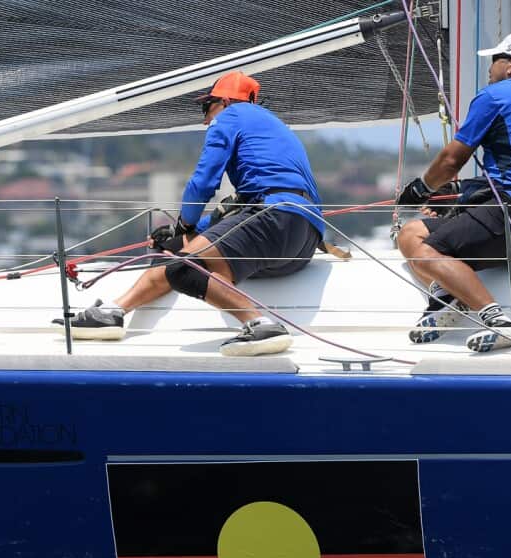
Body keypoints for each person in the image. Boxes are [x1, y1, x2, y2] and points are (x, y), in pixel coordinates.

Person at [53, 71, 325, 357]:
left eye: (206, 107)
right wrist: (178, 232)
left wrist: (185, 222)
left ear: (224, 101)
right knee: (174, 252)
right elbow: (237, 209)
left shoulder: (231, 116)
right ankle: (113, 312)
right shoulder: (272, 128)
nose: (205, 119)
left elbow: (203, 183)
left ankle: (260, 324)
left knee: (183, 269)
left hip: (274, 219)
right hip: (301, 241)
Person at [394, 31, 511, 353]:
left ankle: (497, 321)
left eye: (495, 61)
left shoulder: (498, 95)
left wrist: (420, 190)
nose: (489, 69)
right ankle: (450, 297)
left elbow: (452, 160)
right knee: (410, 233)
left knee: (426, 250)